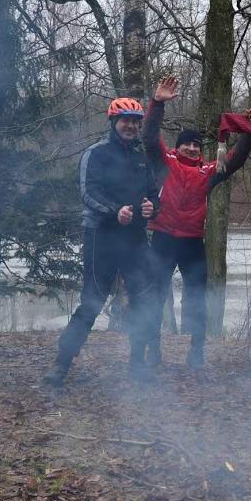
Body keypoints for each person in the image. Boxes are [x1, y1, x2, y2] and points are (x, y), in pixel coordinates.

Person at [43, 97, 161, 387]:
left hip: (134, 239)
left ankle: (137, 365)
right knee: (92, 303)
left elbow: (153, 194)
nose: (131, 126)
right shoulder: (96, 153)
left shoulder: (140, 157)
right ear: (113, 122)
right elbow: (88, 192)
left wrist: (152, 208)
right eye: (126, 121)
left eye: (136, 122)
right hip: (102, 237)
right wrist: (113, 211)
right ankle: (60, 365)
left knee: (144, 300)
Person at [142, 76, 251, 369]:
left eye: (196, 145)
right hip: (164, 239)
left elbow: (236, 159)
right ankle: (153, 349)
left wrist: (250, 131)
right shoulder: (164, 162)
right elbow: (149, 136)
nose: (192, 149)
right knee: (155, 296)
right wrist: (157, 103)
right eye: (187, 145)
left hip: (192, 243)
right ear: (178, 147)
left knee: (197, 298)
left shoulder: (208, 172)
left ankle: (196, 350)